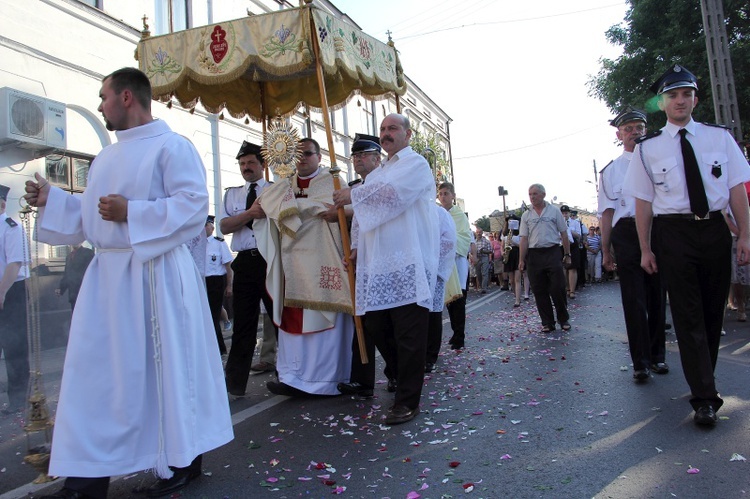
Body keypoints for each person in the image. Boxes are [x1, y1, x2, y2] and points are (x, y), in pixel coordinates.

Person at [24, 67, 233, 499]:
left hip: (156, 277)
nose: (99, 106)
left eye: (102, 97)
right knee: (95, 375)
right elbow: (93, 212)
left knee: (165, 371)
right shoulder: (104, 157)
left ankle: (182, 460)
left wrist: (132, 213)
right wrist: (54, 200)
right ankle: (87, 475)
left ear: (125, 97)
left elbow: (194, 208)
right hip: (107, 281)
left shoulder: (173, 147)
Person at [622, 64, 750, 425]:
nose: (680, 100)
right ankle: (705, 397)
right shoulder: (649, 148)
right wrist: (646, 248)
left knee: (712, 313)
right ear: (661, 103)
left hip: (712, 230)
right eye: (672, 95)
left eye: (686, 94)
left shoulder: (719, 138)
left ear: (695, 98)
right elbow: (643, 203)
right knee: (687, 313)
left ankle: (702, 378)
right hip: (673, 234)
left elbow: (737, 188)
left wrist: (745, 234)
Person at [333, 113, 439, 425]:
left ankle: (407, 401)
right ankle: (398, 374)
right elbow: (368, 210)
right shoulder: (381, 170)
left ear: (407, 134)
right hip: (376, 263)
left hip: (406, 260)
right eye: (382, 129)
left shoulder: (415, 164)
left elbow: (391, 196)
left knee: (408, 335)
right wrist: (355, 247)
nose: (386, 133)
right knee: (375, 325)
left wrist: (351, 194)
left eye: (392, 128)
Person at [251, 138, 353, 396]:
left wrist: (293, 209)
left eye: (308, 154)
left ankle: (325, 380)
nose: (302, 159)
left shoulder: (334, 182)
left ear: (319, 156)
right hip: (292, 264)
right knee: (292, 322)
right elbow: (263, 208)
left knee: (324, 321)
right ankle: (291, 377)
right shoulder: (282, 186)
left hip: (323, 259)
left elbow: (338, 209)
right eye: (298, 155)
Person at [599, 106, 667, 383]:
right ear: (619, 134)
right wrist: (605, 250)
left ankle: (657, 355)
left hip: (656, 229)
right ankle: (640, 361)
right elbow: (607, 213)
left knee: (656, 294)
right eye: (628, 129)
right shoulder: (612, 171)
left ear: (645, 130)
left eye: (638, 127)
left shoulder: (660, 160)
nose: (634, 133)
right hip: (626, 234)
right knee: (633, 298)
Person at [337, 134, 396, 398]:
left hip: (384, 259)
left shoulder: (383, 182)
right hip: (364, 261)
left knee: (384, 322)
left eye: (364, 155)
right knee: (365, 320)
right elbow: (359, 223)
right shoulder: (359, 186)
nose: (358, 160)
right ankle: (362, 379)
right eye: (355, 156)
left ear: (377, 158)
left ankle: (396, 372)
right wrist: (353, 250)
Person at [220, 141, 278, 397]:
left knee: (279, 319)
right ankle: (234, 383)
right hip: (243, 261)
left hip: (269, 259)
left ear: (263, 165)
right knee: (244, 324)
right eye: (242, 164)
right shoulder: (232, 194)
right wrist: (250, 213)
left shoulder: (275, 190)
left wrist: (246, 217)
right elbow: (224, 226)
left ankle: (289, 375)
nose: (246, 168)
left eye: (251, 163)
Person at [518, 184, 571, 332]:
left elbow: (564, 234)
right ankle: (547, 322)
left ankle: (563, 319)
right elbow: (523, 238)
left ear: (543, 194)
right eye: (530, 194)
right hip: (534, 254)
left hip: (552, 251)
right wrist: (521, 260)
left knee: (557, 287)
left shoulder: (554, 211)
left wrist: (567, 254)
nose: (532, 197)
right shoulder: (526, 215)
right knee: (539, 289)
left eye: (535, 194)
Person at [0, 184, 30, 416]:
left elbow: (14, 263)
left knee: (14, 348)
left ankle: (19, 399)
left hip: (11, 293)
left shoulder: (11, 228)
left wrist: (1, 293)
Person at [437, 182, 472, 350]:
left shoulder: (459, 215)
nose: (443, 196)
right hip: (444, 262)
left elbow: (464, 237)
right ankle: (454, 332)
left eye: (446, 193)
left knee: (458, 300)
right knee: (449, 301)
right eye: (441, 193)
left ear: (453, 196)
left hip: (457, 262)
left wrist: (446, 243)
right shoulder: (437, 213)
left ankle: (460, 336)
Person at [204, 215, 233, 356]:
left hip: (215, 282)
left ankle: (217, 349)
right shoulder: (195, 244)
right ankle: (215, 348)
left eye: (206, 225)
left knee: (213, 316)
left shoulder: (219, 243)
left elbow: (228, 266)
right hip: (201, 281)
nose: (204, 229)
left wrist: (229, 286)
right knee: (205, 316)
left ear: (212, 227)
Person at [55, 243, 94, 311]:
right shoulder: (69, 256)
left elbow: (92, 271)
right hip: (73, 294)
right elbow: (67, 274)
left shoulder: (88, 253)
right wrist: (61, 288)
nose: (75, 242)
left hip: (84, 292)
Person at [559, 205, 581, 299]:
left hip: (572, 245)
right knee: (564, 268)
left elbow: (578, 235)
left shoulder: (575, 222)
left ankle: (572, 290)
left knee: (572, 268)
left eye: (566, 213)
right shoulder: (558, 222)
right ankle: (567, 288)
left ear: (569, 213)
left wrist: (568, 230)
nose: (565, 215)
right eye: (563, 213)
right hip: (561, 245)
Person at [474, 227, 492, 293]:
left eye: (480, 232)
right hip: (477, 258)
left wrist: (484, 251)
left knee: (485, 273)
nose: (478, 233)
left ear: (482, 233)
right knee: (478, 274)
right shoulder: (474, 242)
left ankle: (484, 288)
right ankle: (481, 286)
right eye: (477, 232)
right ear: (476, 233)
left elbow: (490, 251)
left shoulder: (486, 241)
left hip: (484, 257)